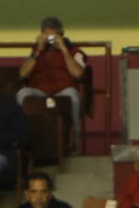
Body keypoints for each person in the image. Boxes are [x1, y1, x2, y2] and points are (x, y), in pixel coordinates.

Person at [17, 16, 88, 145]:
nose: (50, 40)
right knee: (22, 94)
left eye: (53, 37)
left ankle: (74, 141)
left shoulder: (74, 51)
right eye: (46, 36)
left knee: (73, 95)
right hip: (39, 91)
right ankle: (23, 140)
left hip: (63, 91)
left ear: (61, 35)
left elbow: (78, 74)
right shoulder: (36, 51)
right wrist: (38, 50)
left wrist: (64, 50)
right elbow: (23, 73)